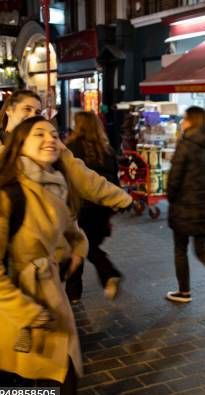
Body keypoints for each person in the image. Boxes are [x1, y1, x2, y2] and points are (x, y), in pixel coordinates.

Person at [0, 116, 87, 395]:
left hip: (48, 297)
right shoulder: (7, 193)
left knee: (59, 374)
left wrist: (79, 249)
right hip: (12, 307)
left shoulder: (56, 186)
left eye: (54, 134)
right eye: (39, 134)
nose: (50, 139)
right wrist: (29, 313)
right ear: (19, 145)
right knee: (2, 388)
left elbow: (71, 229)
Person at [0, 90, 132, 211]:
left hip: (44, 227)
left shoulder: (47, 141)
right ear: (9, 110)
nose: (32, 116)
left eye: (37, 112)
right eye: (27, 109)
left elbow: (82, 176)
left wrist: (120, 198)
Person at [166, 106, 205, 303]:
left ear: (191, 120)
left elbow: (175, 177)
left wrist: (171, 197)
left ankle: (184, 292)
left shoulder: (185, 144)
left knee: (180, 249)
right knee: (201, 250)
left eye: (184, 119)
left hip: (184, 207)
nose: (182, 122)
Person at [65, 111, 123, 302]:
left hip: (80, 207)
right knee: (88, 245)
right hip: (103, 207)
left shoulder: (70, 149)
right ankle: (106, 275)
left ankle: (77, 291)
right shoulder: (107, 150)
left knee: (80, 245)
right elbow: (115, 180)